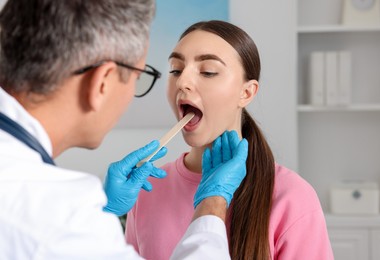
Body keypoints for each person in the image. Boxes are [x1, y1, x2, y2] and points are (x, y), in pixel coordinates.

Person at [0, 1, 249, 259]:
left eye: (208, 71)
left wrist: (104, 212)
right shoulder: (61, 222)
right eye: (139, 77)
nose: (183, 83)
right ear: (102, 83)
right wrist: (213, 202)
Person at [125, 20, 335, 260]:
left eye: (208, 71)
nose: (182, 82)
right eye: (175, 69)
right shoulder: (146, 190)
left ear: (246, 93)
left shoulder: (292, 196)